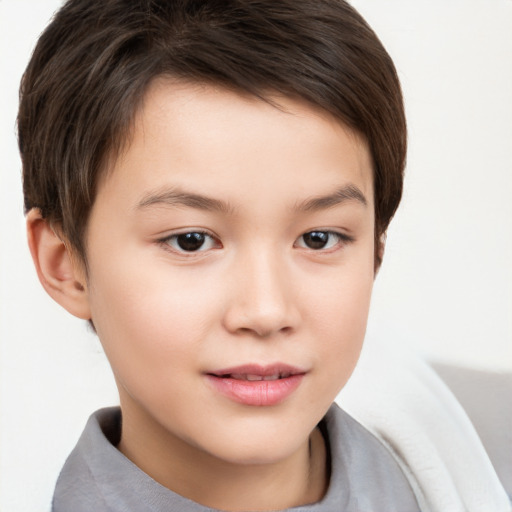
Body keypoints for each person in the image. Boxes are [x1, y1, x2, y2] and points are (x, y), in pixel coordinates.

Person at [15, 1, 503, 511]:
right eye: (191, 240)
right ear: (64, 263)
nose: (267, 311)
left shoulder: (484, 460)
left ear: (377, 247)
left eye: (319, 238)